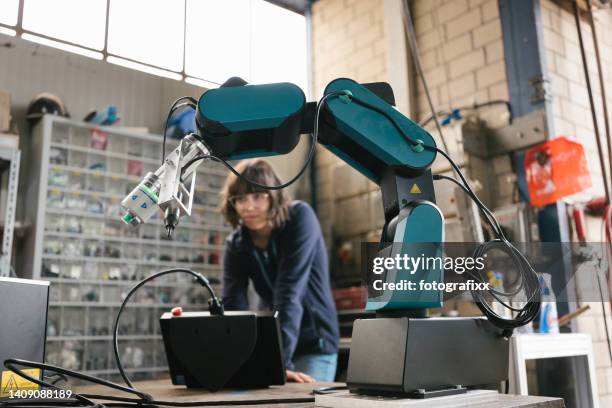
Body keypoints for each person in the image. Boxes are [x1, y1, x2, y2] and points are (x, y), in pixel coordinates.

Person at [220, 159, 339, 383]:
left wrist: (278, 365)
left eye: (258, 196)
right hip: (274, 342)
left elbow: (289, 294)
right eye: (240, 199)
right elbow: (232, 306)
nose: (249, 206)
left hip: (315, 342)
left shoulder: (299, 219)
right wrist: (236, 361)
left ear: (273, 196)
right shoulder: (236, 244)